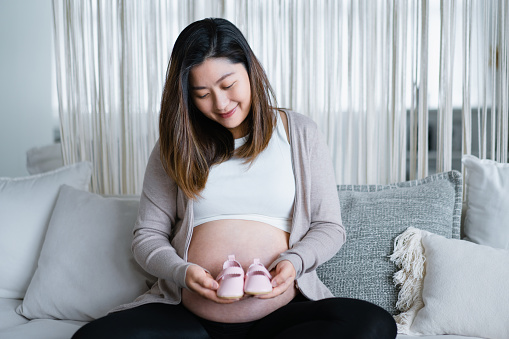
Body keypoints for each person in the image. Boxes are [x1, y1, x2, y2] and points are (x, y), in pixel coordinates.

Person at [72, 18, 397, 339]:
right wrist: (183, 272)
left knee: (373, 324)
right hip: (191, 319)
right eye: (202, 93)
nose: (221, 103)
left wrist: (293, 263)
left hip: (281, 317)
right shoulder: (175, 145)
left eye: (228, 85)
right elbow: (147, 237)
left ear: (250, 69)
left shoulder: (298, 133)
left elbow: (329, 227)